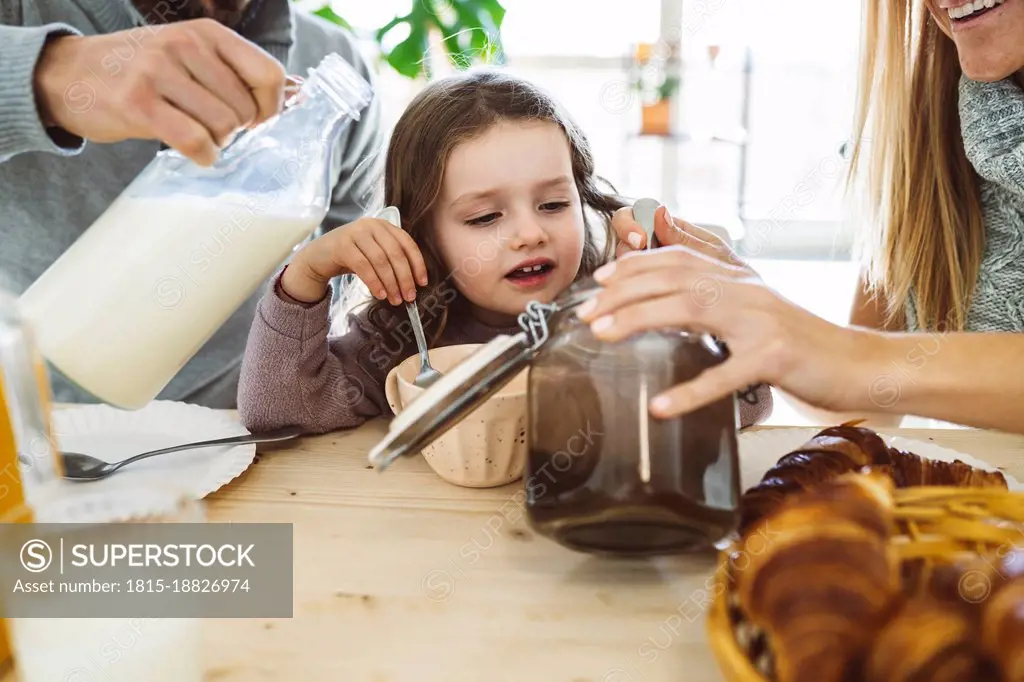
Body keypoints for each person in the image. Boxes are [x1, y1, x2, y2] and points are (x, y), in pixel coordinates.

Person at [235, 71, 774, 434]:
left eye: (553, 204)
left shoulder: (619, 317)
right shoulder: (402, 343)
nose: (528, 234)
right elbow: (278, 412)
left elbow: (747, 403)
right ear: (422, 236)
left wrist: (712, 289)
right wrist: (307, 274)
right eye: (485, 217)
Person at [578, 0, 1024, 435]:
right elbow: (866, 408)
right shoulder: (925, 138)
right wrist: (757, 318)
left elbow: (856, 366)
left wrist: (845, 354)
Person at [0, 0, 383, 408]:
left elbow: (339, 289)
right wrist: (50, 73)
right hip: (30, 419)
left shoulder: (336, 64)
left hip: (236, 436)